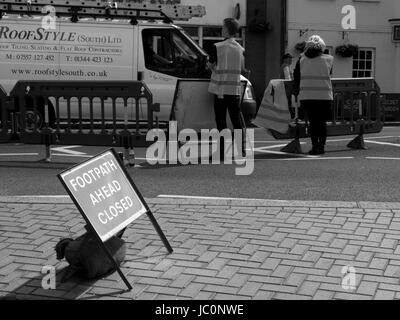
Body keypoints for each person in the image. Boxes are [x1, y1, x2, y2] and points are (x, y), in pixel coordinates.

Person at [208, 18, 249, 159]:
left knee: (221, 121)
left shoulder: (217, 46)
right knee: (236, 120)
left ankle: (221, 151)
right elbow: (243, 69)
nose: (221, 29)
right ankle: (240, 150)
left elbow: (210, 65)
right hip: (235, 91)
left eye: (222, 27)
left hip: (220, 90)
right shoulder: (240, 49)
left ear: (226, 29)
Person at [294, 35, 333, 155]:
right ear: (322, 47)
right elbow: (330, 74)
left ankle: (315, 146)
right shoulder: (329, 59)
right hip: (325, 96)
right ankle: (321, 147)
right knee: (321, 123)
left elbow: (296, 77)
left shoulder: (301, 59)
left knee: (313, 122)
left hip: (307, 96)